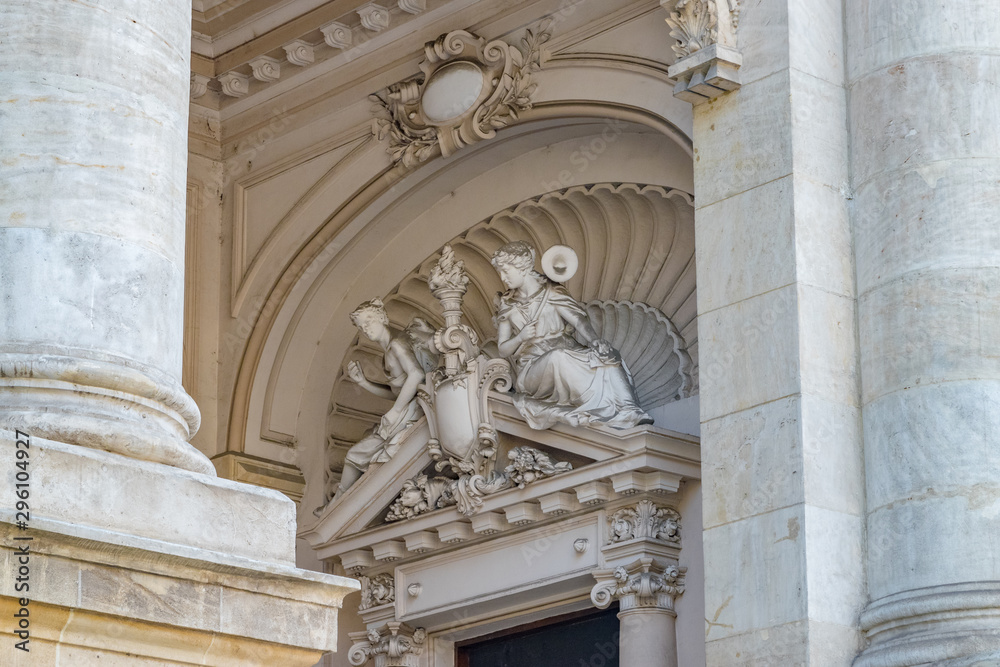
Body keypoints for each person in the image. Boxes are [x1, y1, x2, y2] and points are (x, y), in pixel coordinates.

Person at [491, 241, 652, 430]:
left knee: (605, 355)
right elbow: (502, 349)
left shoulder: (551, 292)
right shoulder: (508, 305)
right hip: (532, 367)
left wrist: (595, 340)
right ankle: (596, 410)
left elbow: (578, 320)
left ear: (522, 268)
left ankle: (628, 410)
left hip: (566, 349)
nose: (503, 277)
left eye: (506, 271)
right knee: (558, 357)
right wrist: (521, 337)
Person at [337, 298, 430, 495]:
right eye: (362, 327)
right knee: (356, 455)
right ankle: (338, 501)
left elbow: (417, 374)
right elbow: (397, 393)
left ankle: (337, 503)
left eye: (369, 321)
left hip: (413, 409)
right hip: (408, 408)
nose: (366, 329)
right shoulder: (388, 350)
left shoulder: (396, 344)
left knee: (355, 455)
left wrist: (396, 412)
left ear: (382, 317)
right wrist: (364, 382)